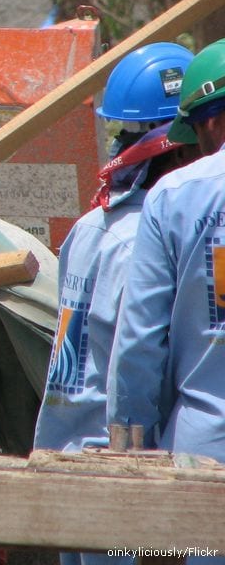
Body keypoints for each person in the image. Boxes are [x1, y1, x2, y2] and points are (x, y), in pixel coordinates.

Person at [33, 44, 195, 565]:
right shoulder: (148, 239)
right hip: (121, 478)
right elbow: (138, 361)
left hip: (73, 463)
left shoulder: (90, 228)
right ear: (181, 147)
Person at [108, 39, 225, 473]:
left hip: (203, 452)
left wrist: (129, 456)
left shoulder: (175, 196)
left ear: (209, 122)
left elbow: (139, 343)